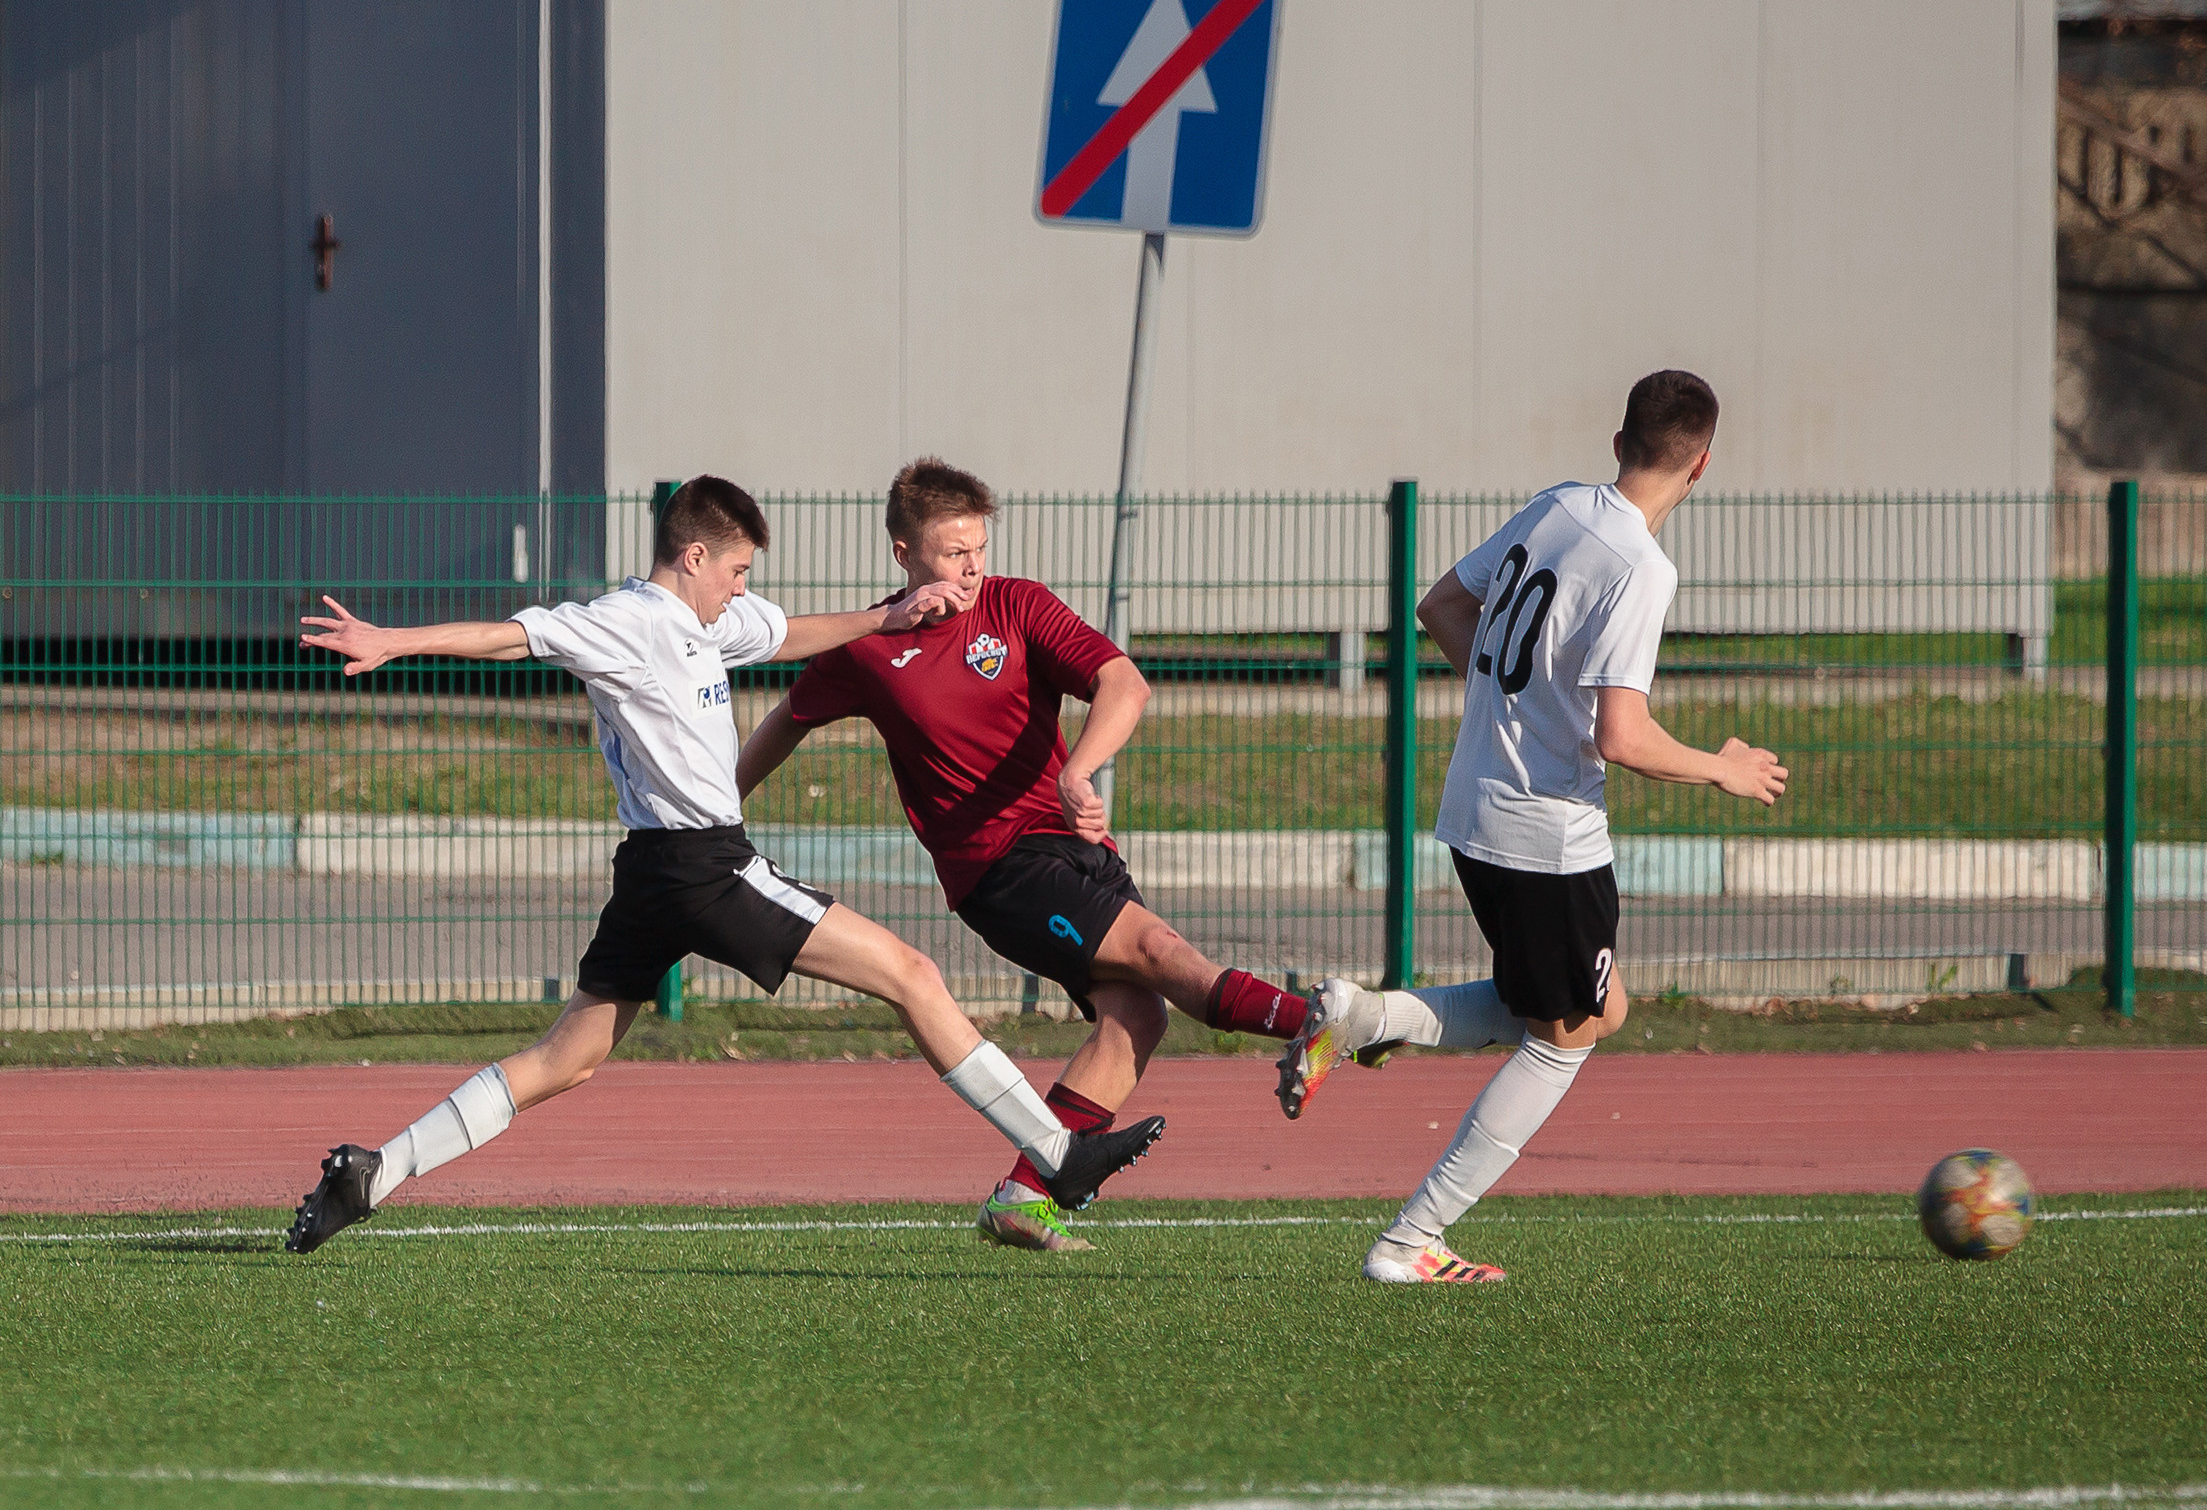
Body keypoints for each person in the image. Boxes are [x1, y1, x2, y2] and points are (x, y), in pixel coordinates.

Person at [284, 476, 1164, 1253]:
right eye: (735, 571)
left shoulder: (711, 620)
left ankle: (376, 1169)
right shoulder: (624, 622)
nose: (742, 591)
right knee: (911, 973)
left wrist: (885, 618)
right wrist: (394, 641)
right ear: (693, 555)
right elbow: (509, 636)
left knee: (568, 1055)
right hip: (703, 867)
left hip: (654, 876)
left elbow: (787, 633)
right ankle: (1057, 1153)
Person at [1276, 371, 1788, 1283]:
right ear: (1702, 464)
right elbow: (1620, 737)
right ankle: (1409, 1241)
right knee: (1566, 1033)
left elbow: (1440, 606)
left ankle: (1366, 1016)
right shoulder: (1640, 565)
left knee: (1591, 1005)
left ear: (1617, 439)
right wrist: (1725, 765)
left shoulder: (1559, 506)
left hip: (1473, 805)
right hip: (1548, 834)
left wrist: (1505, 702)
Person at [737, 457, 1312, 1253]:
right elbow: (787, 719)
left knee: (1134, 1017)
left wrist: (1078, 769)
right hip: (997, 871)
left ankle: (1022, 1197)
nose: (972, 568)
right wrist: (718, 800)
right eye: (951, 552)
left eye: (978, 548)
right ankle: (1313, 1022)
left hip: (1077, 850)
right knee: (1158, 951)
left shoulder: (1017, 605)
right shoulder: (871, 648)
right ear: (903, 554)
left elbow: (1123, 683)